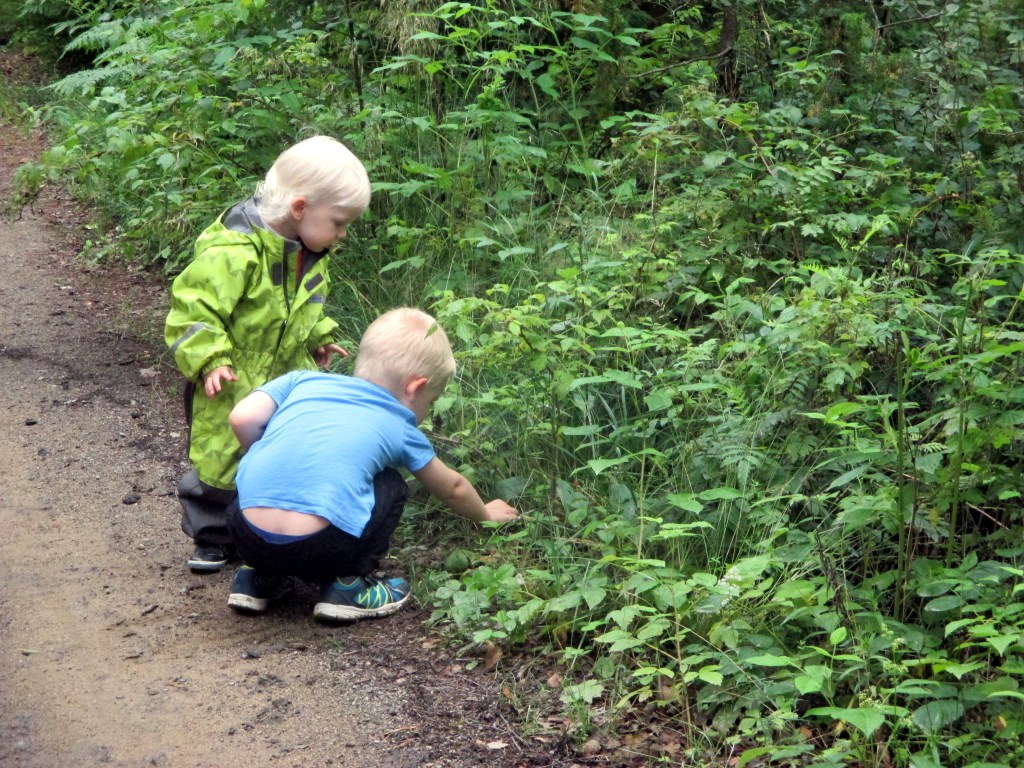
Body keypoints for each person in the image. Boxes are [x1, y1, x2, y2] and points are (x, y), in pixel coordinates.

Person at [224, 307, 518, 622]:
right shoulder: (398, 423)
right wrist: (486, 515)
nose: (428, 412)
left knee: (259, 478)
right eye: (430, 402)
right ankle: (349, 585)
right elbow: (453, 489)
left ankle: (257, 579)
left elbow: (241, 418)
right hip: (322, 545)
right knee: (390, 483)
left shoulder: (301, 381)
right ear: (415, 388)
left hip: (246, 533)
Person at [165, 136, 370, 573]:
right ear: (300, 208)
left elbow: (302, 305)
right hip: (230, 374)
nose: (342, 234)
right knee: (219, 456)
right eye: (338, 222)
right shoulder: (234, 251)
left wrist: (318, 335)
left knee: (275, 450)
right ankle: (212, 535)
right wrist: (209, 359)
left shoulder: (310, 252)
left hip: (283, 374)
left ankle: (258, 530)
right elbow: (193, 309)